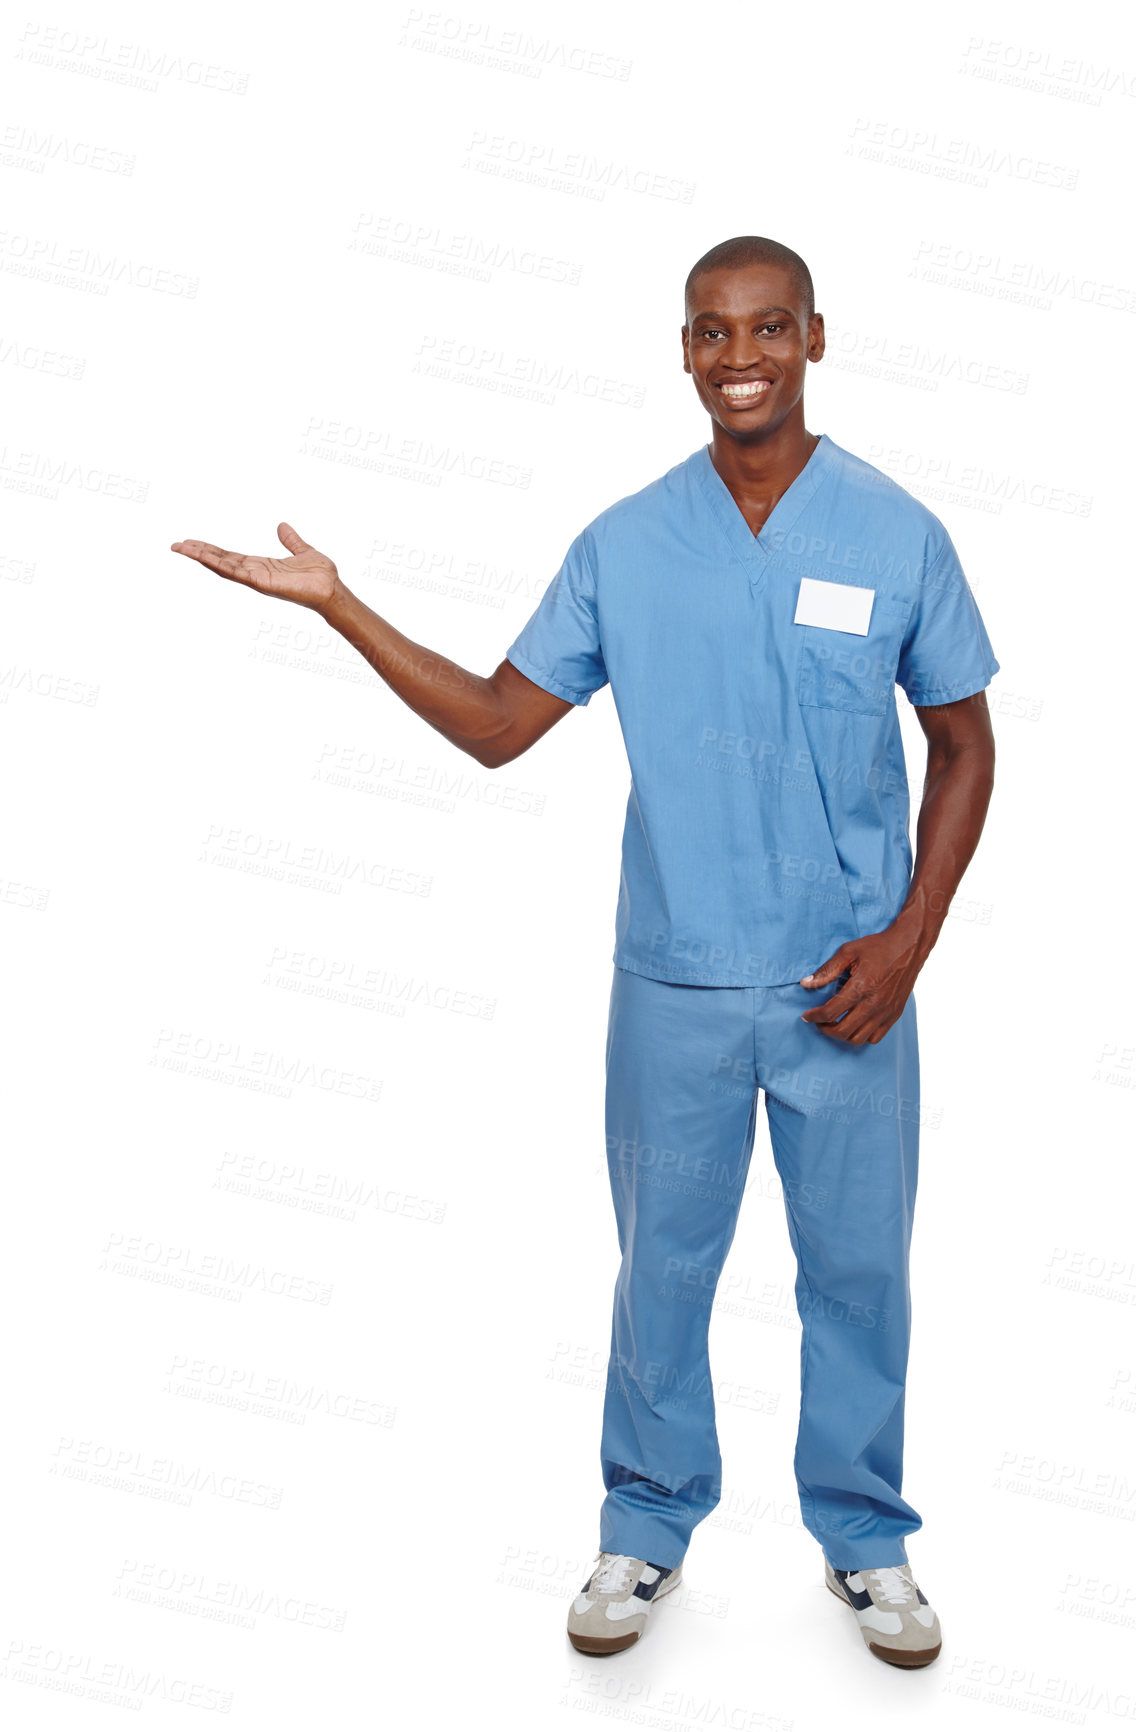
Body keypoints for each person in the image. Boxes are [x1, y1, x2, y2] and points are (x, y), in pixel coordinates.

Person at [171, 234, 998, 1671]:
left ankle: (865, 1540)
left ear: (814, 339)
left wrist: (908, 941)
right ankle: (648, 1519)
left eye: (764, 330)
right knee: (659, 1267)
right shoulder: (626, 543)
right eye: (707, 333)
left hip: (847, 989)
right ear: (682, 352)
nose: (735, 357)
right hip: (674, 984)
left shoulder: (893, 534)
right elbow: (499, 725)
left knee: (858, 1270)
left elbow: (963, 742)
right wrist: (343, 608)